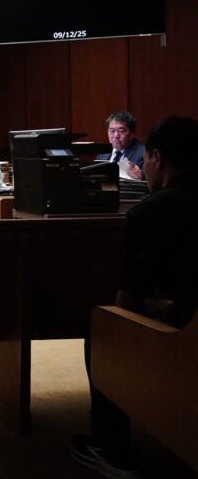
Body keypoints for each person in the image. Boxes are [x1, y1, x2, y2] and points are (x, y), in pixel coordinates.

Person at [71, 115, 198, 477]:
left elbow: (128, 301)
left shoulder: (151, 212)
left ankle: (112, 449)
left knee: (103, 324)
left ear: (155, 158)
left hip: (184, 337)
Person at [95, 110, 144, 179]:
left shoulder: (143, 153)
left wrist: (141, 175)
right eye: (112, 131)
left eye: (121, 131)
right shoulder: (103, 154)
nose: (116, 136)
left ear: (132, 132)